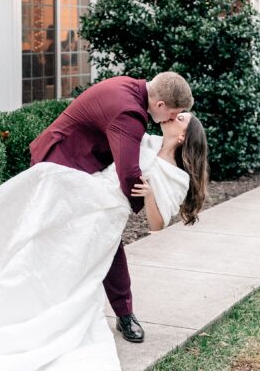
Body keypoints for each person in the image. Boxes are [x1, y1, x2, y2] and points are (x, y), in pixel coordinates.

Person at [0, 109, 208, 371]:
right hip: (81, 195)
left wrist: (151, 196)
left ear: (183, 136)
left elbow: (156, 224)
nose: (172, 114)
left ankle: (49, 328)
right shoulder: (144, 139)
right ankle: (12, 308)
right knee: (43, 220)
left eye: (180, 117)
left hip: (104, 219)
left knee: (71, 274)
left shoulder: (176, 176)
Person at [29, 72, 193, 343]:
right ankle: (46, 310)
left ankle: (123, 313)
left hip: (82, 172)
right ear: (161, 105)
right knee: (57, 242)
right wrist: (143, 203)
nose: (171, 119)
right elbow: (128, 173)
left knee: (105, 240)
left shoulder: (129, 88)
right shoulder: (131, 112)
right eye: (174, 113)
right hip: (59, 168)